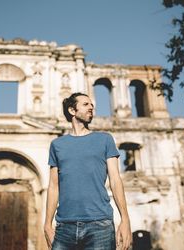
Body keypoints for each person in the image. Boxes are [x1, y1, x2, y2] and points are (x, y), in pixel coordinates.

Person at [44, 92, 132, 250]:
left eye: (92, 105)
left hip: (100, 225)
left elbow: (115, 180)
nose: (91, 107)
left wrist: (125, 220)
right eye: (85, 104)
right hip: (64, 227)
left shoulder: (105, 139)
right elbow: (53, 186)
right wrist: (47, 223)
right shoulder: (57, 145)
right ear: (72, 110)